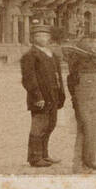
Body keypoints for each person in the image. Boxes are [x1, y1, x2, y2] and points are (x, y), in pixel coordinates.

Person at [20, 20, 64, 168]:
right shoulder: (30, 55)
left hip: (53, 96)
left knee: (50, 125)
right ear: (33, 38)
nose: (43, 38)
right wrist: (37, 96)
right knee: (38, 127)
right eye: (39, 35)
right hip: (40, 97)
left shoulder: (52, 54)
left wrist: (60, 94)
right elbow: (29, 79)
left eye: (46, 35)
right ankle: (35, 157)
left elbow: (58, 75)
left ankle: (45, 155)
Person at [67, 32, 96, 173]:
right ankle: (78, 165)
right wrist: (76, 99)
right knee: (84, 129)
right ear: (90, 43)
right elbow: (72, 79)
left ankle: (91, 160)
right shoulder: (82, 58)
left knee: (94, 130)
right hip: (85, 97)